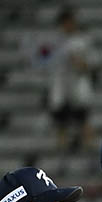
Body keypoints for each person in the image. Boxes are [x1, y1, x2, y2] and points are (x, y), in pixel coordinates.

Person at [39, 9, 96, 150]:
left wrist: (79, 63)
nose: (68, 25)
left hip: (78, 82)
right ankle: (61, 146)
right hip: (60, 83)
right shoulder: (53, 41)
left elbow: (92, 63)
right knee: (60, 118)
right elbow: (43, 59)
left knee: (82, 116)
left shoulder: (83, 40)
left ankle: (89, 145)